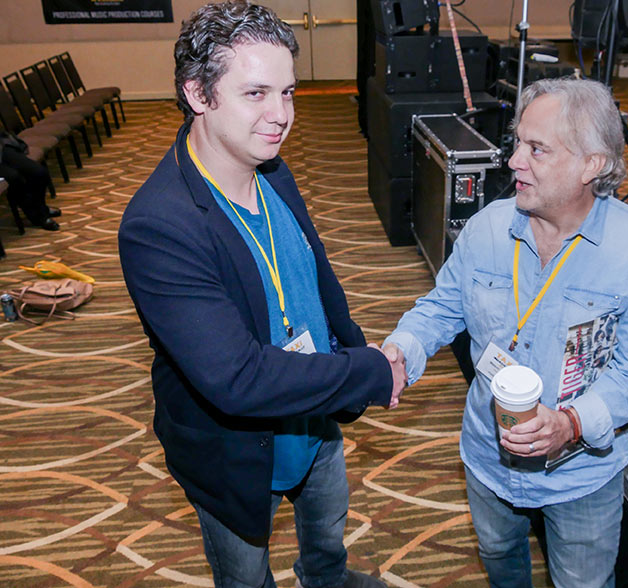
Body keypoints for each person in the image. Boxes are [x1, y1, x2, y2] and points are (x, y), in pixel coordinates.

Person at [118, 2, 404, 587]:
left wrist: (347, 351)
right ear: (199, 93)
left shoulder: (269, 166)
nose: (281, 115)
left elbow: (317, 278)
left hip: (315, 409)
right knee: (247, 576)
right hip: (236, 450)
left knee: (327, 538)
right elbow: (238, 379)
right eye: (256, 94)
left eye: (289, 92)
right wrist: (368, 372)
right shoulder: (159, 225)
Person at [383, 77, 628, 588]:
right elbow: (441, 308)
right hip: (486, 452)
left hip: (582, 473)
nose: (514, 160)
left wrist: (568, 424)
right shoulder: (486, 229)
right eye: (517, 143)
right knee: (499, 557)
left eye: (536, 149)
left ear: (592, 164)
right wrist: (398, 351)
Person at [0, 132, 60, 231]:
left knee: (39, 172)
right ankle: (37, 215)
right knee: (15, 177)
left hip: (2, 148)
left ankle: (41, 208)